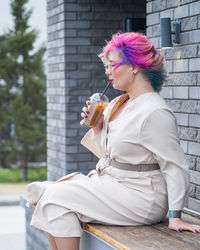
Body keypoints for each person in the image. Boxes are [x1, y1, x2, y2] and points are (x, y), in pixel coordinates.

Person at [26, 32, 200, 250]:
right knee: (46, 196)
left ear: (135, 66)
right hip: (113, 183)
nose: (108, 71)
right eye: (106, 65)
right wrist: (97, 126)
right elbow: (112, 155)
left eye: (113, 65)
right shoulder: (119, 102)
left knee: (56, 196)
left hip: (142, 196)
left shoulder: (155, 111)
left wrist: (175, 215)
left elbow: (174, 165)